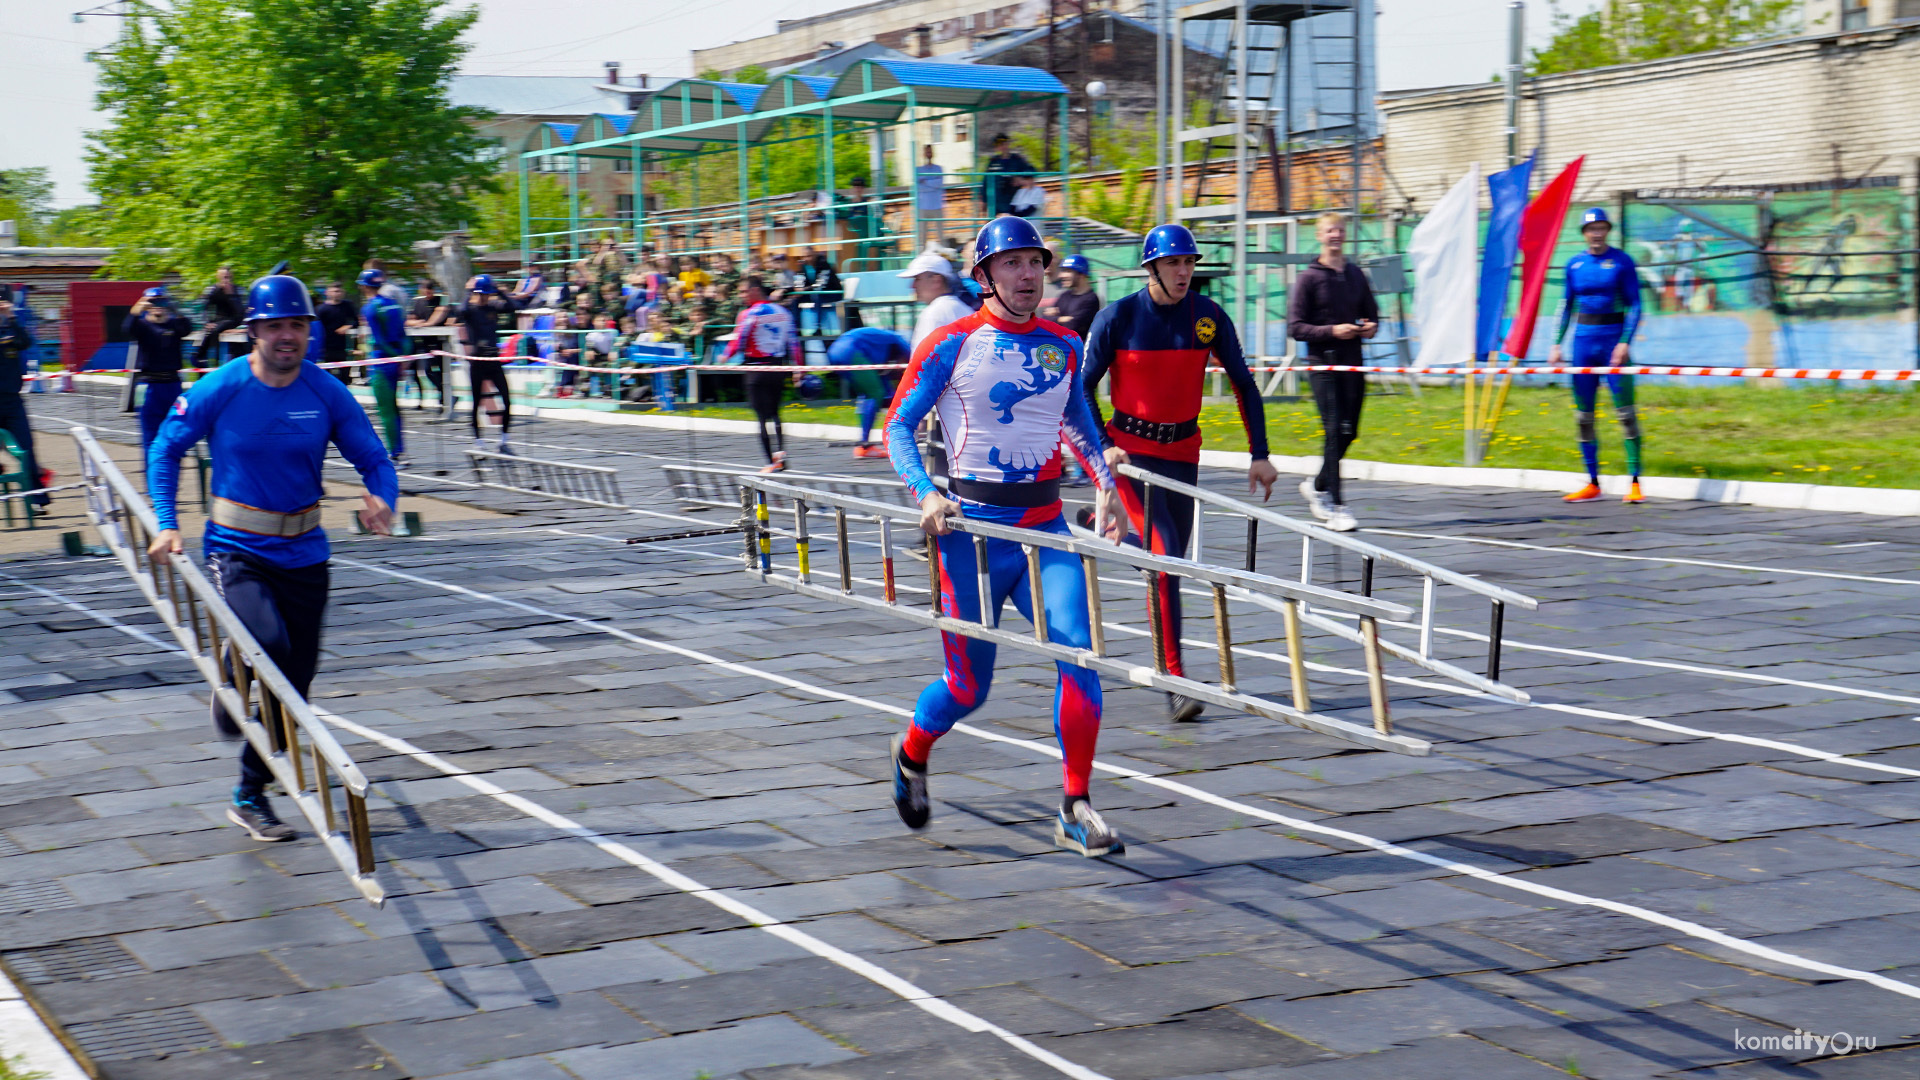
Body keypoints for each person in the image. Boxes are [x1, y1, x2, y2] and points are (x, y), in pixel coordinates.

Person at [883, 216, 1127, 858]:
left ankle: (1076, 805)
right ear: (985, 276)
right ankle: (911, 752)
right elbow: (899, 428)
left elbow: (1077, 418)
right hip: (971, 534)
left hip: (1045, 528)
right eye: (1013, 264)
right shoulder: (952, 342)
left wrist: (1108, 485)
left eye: (1035, 263)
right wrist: (927, 494)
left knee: (1081, 657)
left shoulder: (1064, 345)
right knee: (969, 687)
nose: (1027, 275)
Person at [145, 273, 398, 843]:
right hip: (237, 549)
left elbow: (374, 457)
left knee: (296, 686)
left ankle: (249, 793)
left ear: (309, 331)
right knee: (271, 646)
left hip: (305, 552)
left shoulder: (325, 392)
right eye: (275, 327)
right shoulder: (222, 386)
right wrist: (167, 523)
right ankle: (237, 668)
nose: (287, 337)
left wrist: (383, 498)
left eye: (297, 327)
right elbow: (167, 447)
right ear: (253, 331)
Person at [1082, 224, 1277, 723]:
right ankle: (1174, 680)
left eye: (1189, 263)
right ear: (1151, 268)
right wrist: (1103, 446)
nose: (1184, 272)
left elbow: (1244, 383)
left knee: (1172, 561)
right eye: (1173, 263)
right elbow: (1081, 390)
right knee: (1165, 560)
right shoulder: (1117, 317)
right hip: (1129, 455)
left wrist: (1260, 452)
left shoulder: (1208, 317)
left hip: (1183, 453)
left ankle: (1096, 525)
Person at [1288, 211, 1378, 533]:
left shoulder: (1355, 274)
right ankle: (1337, 506)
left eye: (1340, 230)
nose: (1336, 235)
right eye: (1330, 231)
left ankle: (1318, 483)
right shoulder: (1308, 278)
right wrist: (1331, 331)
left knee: (1349, 431)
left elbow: (1371, 314)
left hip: (1353, 361)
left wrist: (1368, 328)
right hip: (1323, 363)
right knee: (1332, 430)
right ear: (1319, 236)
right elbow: (1296, 327)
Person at [1551, 207, 1646, 504]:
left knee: (1625, 414)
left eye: (1602, 228)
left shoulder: (1621, 261)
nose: (1597, 233)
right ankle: (1592, 482)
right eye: (1592, 229)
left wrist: (1624, 342)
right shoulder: (1574, 264)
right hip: (1582, 344)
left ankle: (1635, 482)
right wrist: (1556, 343)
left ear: (1608, 231)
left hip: (1612, 343)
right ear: (1584, 233)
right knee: (1583, 417)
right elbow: (1566, 305)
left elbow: (1636, 305)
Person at [720, 277, 802, 471]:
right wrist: (799, 368)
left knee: (762, 418)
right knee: (775, 413)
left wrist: (725, 356)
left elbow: (740, 340)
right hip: (777, 368)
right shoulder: (783, 312)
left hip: (755, 369)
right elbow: (794, 343)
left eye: (743, 292)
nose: (741, 296)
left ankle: (769, 462)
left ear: (755, 290)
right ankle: (781, 454)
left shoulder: (749, 313)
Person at [122, 287, 194, 463]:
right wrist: (137, 308)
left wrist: (174, 309)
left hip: (172, 385)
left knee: (175, 433)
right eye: (153, 302)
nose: (158, 306)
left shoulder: (174, 325)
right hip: (148, 387)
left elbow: (187, 328)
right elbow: (127, 328)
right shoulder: (142, 326)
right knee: (150, 436)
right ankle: (151, 484)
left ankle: (170, 473)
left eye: (161, 301)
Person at [826, 326, 908, 458]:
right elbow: (910, 368)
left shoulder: (884, 344)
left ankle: (864, 443)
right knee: (875, 393)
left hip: (836, 351)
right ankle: (865, 445)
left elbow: (885, 379)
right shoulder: (900, 342)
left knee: (867, 395)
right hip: (851, 351)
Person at [454, 275, 514, 451]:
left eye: (486, 294)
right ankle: (478, 440)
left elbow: (511, 308)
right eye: (481, 294)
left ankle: (504, 439)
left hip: (493, 360)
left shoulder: (493, 307)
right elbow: (460, 311)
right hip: (478, 361)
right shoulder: (470, 310)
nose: (484, 298)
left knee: (507, 400)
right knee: (477, 401)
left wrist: (501, 293)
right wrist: (468, 291)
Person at [358, 269, 409, 463]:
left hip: (381, 362)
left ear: (364, 286)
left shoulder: (370, 308)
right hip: (395, 361)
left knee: (386, 409)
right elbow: (404, 336)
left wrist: (394, 357)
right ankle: (399, 450)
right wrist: (403, 359)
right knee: (394, 408)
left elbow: (379, 340)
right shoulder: (394, 305)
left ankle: (395, 453)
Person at [0, 299, 47, 509]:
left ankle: (36, 500)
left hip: (12, 400)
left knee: (26, 448)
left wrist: (11, 318)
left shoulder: (8, 328)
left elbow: (25, 342)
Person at [405, 278, 447, 407]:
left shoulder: (441, 300)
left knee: (439, 370)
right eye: (425, 291)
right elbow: (409, 320)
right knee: (424, 370)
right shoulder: (417, 302)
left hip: (439, 342)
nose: (427, 294)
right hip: (422, 342)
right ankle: (441, 394)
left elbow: (439, 314)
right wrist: (418, 323)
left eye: (429, 291)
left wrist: (427, 324)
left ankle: (444, 395)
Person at [194, 266, 246, 366]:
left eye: (227, 277)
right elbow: (204, 307)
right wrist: (206, 322)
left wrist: (231, 295)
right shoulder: (213, 289)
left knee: (217, 328)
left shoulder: (237, 290)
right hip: (218, 320)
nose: (225, 280)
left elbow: (240, 312)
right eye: (223, 277)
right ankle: (203, 356)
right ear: (218, 277)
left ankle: (204, 355)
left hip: (234, 320)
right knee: (212, 329)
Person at [977, 133, 1034, 218]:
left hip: (1013, 201)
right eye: (999, 145)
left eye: (1004, 144)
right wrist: (983, 202)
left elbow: (1031, 171)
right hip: (996, 203)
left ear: (1008, 144)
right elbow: (986, 182)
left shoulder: (1017, 160)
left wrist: (1021, 180)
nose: (1002, 147)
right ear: (996, 147)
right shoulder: (993, 162)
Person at [1043, 254, 1101, 333]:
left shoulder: (1091, 299)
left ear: (1081, 275)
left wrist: (1055, 319)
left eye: (1068, 271)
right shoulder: (1064, 296)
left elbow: (1072, 326)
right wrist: (1062, 319)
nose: (1062, 275)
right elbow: (1043, 320)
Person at [315, 283, 360, 384]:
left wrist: (348, 326)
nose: (337, 294)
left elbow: (356, 321)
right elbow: (316, 328)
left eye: (339, 291)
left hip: (344, 347)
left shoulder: (347, 306)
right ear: (327, 292)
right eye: (335, 291)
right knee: (326, 377)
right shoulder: (321, 309)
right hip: (327, 347)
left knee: (345, 377)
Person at [914, 145, 946, 248]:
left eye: (930, 151)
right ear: (923, 154)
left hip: (937, 205)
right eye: (927, 151)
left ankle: (944, 256)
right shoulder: (918, 170)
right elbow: (919, 187)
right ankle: (921, 256)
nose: (928, 153)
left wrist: (925, 181)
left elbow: (939, 183)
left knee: (940, 234)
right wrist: (932, 183)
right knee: (922, 235)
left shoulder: (938, 168)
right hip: (923, 206)